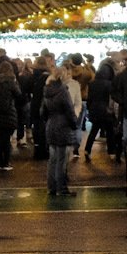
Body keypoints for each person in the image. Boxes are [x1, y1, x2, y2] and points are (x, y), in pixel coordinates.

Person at [42, 64, 77, 197]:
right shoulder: (63, 91)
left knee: (52, 159)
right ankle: (61, 188)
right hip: (63, 127)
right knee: (62, 160)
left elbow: (42, 111)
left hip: (51, 126)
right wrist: (74, 125)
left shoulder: (46, 91)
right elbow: (69, 110)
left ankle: (51, 187)